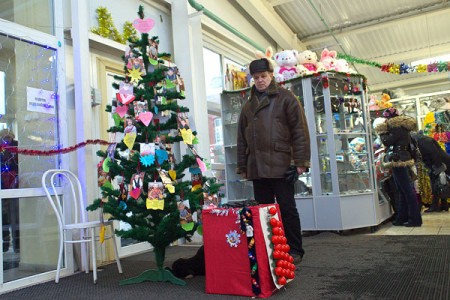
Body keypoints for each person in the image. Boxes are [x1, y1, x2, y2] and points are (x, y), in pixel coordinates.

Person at [236, 58, 311, 263]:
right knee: (263, 211)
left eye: (264, 76)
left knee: (287, 208)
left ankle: (295, 250)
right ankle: (269, 249)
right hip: (257, 166)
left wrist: (301, 162)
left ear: (271, 76)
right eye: (256, 77)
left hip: (282, 164)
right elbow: (241, 138)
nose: (260, 81)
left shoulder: (287, 98)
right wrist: (243, 165)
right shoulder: (248, 106)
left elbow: (300, 131)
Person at [374, 107, 422, 227]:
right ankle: (403, 217)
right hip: (401, 158)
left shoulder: (396, 127)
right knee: (403, 190)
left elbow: (387, 142)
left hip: (398, 160)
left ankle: (414, 219)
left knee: (406, 191)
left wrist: (381, 132)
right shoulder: (401, 127)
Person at [411, 132, 450, 212]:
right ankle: (444, 204)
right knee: (442, 183)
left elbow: (434, 153)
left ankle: (435, 206)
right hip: (440, 162)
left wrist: (438, 167)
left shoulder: (423, 140)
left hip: (440, 162)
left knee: (436, 183)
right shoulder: (421, 140)